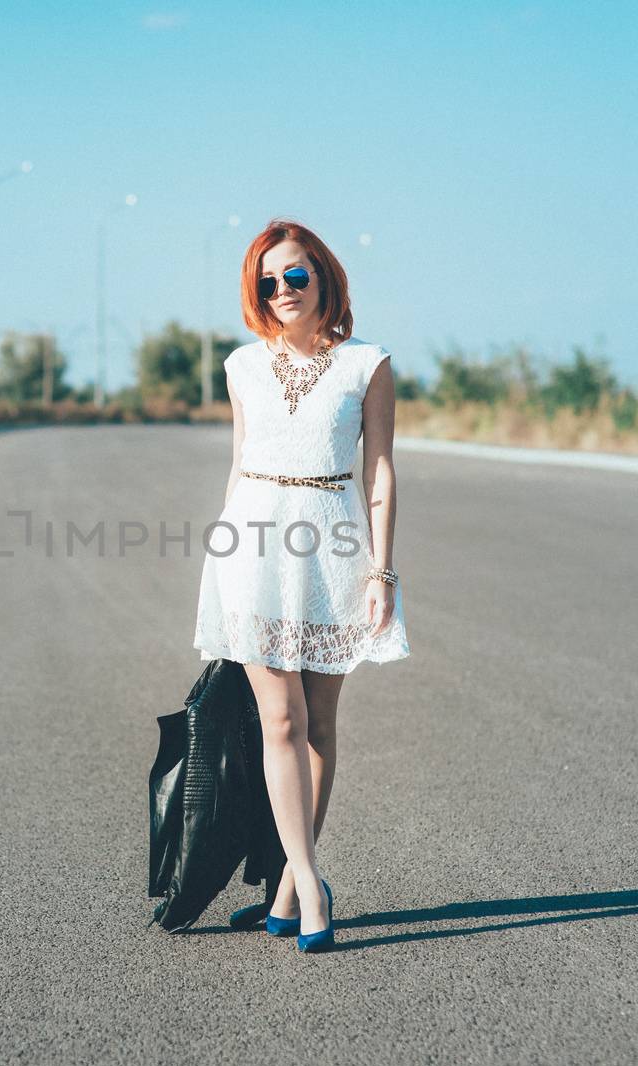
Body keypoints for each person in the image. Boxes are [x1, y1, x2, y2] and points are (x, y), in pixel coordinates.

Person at [191, 217, 411, 953]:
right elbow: (238, 462)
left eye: (295, 276)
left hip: (334, 549)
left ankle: (289, 884)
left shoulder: (366, 364)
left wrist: (381, 572)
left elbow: (378, 473)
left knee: (317, 727)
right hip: (252, 544)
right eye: (267, 280)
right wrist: (221, 555)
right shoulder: (241, 366)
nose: (281, 290)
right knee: (277, 723)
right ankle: (314, 892)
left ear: (324, 279)